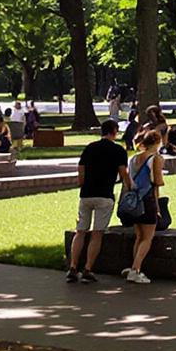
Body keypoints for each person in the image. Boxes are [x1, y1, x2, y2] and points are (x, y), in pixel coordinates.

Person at [66, 119, 127, 283]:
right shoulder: (118, 150)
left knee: (80, 231)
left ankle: (72, 266)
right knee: (97, 234)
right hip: (104, 195)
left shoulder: (90, 148)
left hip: (86, 194)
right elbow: (123, 173)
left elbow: (81, 170)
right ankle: (87, 268)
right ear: (114, 131)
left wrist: (82, 183)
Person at [119, 126, 166, 285]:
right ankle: (136, 269)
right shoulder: (155, 158)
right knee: (148, 237)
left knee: (139, 236)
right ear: (157, 142)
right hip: (147, 199)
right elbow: (158, 181)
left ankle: (134, 266)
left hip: (134, 200)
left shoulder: (134, 158)